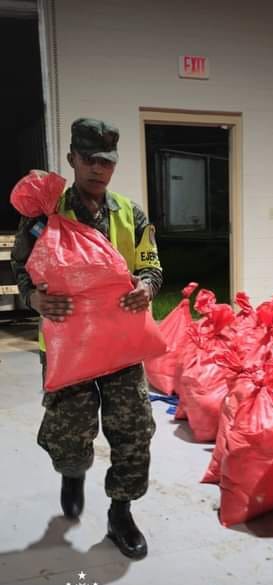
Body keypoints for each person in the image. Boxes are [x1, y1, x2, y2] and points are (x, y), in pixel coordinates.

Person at [10, 118, 163, 560]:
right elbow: (22, 269)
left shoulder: (129, 214)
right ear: (73, 159)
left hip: (120, 346)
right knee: (69, 436)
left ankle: (120, 512)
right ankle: (73, 472)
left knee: (135, 431)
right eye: (90, 160)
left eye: (107, 162)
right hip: (66, 348)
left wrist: (147, 287)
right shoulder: (45, 212)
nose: (99, 169)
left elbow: (152, 266)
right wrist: (34, 298)